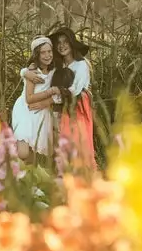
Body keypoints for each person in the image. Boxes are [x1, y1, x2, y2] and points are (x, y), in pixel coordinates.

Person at [23, 27, 95, 167]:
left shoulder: (81, 65)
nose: (62, 46)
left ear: (72, 43)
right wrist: (25, 73)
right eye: (58, 43)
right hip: (58, 110)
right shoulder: (58, 64)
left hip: (76, 110)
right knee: (59, 147)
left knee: (75, 147)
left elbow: (74, 91)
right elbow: (36, 67)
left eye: (65, 42)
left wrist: (48, 101)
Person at [11, 35, 62, 160]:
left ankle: (29, 174)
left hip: (43, 110)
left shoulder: (55, 69)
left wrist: (52, 97)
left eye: (49, 51)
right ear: (37, 55)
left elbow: (61, 92)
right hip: (26, 109)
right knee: (23, 152)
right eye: (42, 53)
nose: (47, 55)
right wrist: (50, 91)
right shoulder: (33, 70)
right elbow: (29, 98)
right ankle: (6, 158)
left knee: (39, 153)